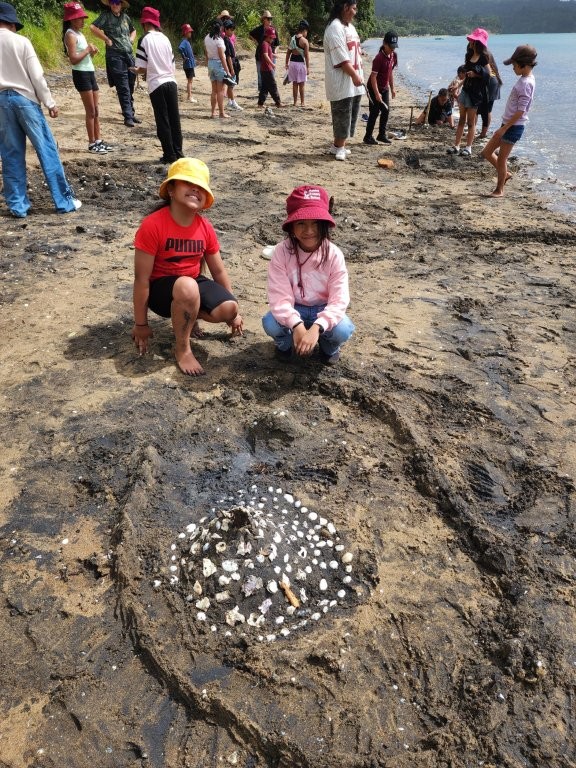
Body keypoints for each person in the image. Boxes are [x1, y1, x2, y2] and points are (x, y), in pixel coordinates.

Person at [132, 157, 243, 376]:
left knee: (229, 307)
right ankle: (182, 349)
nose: (195, 189)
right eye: (187, 183)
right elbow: (141, 279)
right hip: (160, 292)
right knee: (187, 286)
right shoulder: (153, 225)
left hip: (190, 284)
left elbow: (218, 271)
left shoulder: (205, 227)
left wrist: (234, 316)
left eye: (200, 187)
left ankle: (188, 317)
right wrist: (141, 324)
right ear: (171, 190)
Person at [0, 1, 81, 217]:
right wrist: (50, 102)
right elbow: (36, 76)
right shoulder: (21, 41)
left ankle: (18, 207)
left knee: (10, 154)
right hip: (25, 99)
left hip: (1, 102)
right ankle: (64, 202)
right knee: (46, 149)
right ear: (12, 23)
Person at [262, 185, 355, 365]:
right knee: (270, 322)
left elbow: (339, 300)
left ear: (324, 224)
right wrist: (296, 325)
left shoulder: (334, 254)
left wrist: (318, 327)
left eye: (315, 223)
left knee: (343, 329)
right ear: (291, 226)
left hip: (323, 308)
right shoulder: (281, 252)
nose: (309, 231)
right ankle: (285, 344)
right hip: (294, 307)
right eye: (301, 223)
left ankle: (328, 346)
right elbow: (279, 298)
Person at [481, 45, 537, 198]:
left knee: (502, 159)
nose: (513, 68)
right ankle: (505, 174)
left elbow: (521, 111)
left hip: (513, 127)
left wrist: (504, 128)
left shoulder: (526, 83)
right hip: (507, 125)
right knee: (486, 152)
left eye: (514, 65)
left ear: (524, 64)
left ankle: (499, 190)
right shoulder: (525, 79)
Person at [133, 7, 183, 165]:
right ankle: (178, 152)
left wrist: (136, 71)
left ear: (144, 23)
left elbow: (142, 67)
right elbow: (172, 65)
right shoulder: (165, 38)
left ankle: (169, 154)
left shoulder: (144, 39)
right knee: (174, 119)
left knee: (163, 120)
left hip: (156, 84)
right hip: (171, 81)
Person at [62, 2, 112, 155]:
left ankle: (98, 140)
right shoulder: (70, 34)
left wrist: (91, 53)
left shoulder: (79, 34)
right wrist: (87, 49)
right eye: (79, 18)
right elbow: (73, 59)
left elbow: (83, 57)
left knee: (96, 110)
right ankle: (91, 143)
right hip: (81, 74)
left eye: (83, 18)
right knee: (90, 111)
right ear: (71, 19)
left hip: (89, 72)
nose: (83, 20)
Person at [323, 0, 364, 161]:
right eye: (354, 8)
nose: (355, 12)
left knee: (351, 114)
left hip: (354, 80)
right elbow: (341, 57)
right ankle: (340, 147)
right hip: (342, 81)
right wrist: (353, 75)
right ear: (345, 7)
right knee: (342, 113)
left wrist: (357, 74)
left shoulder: (350, 27)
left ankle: (338, 145)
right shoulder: (334, 28)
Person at [90, 0, 140, 128]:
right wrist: (106, 39)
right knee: (123, 86)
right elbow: (92, 27)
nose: (115, 5)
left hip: (129, 55)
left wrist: (131, 40)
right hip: (115, 56)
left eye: (117, 2)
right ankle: (128, 116)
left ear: (121, 5)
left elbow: (133, 30)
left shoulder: (125, 17)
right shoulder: (106, 16)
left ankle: (130, 112)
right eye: (112, 2)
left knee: (130, 84)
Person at [447, 28, 490, 157]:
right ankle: (456, 145)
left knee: (471, 122)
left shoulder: (483, 58)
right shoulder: (469, 55)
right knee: (461, 120)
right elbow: (466, 76)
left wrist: (476, 75)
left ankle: (468, 147)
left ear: (477, 43)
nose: (470, 42)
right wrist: (458, 86)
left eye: (472, 40)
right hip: (465, 91)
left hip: (475, 94)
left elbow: (488, 74)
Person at [363, 30, 397, 145]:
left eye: (394, 47)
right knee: (374, 112)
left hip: (385, 88)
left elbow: (390, 73)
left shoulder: (393, 56)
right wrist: (377, 93)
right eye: (391, 47)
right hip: (373, 88)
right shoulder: (378, 58)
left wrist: (392, 88)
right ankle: (367, 137)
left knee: (386, 111)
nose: (393, 49)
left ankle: (381, 135)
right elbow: (373, 77)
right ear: (384, 44)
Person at [204, 20, 236, 119]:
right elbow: (222, 57)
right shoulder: (219, 40)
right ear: (221, 28)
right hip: (218, 64)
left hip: (210, 64)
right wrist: (227, 71)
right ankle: (221, 113)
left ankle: (213, 112)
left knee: (214, 90)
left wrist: (208, 66)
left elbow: (206, 53)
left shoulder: (207, 38)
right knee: (221, 90)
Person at [249, 10, 278, 91]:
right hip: (260, 55)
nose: (270, 20)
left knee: (271, 73)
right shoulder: (259, 29)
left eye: (271, 19)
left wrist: (275, 51)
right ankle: (261, 90)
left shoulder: (273, 29)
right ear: (264, 19)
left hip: (271, 55)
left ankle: (270, 90)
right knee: (260, 74)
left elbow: (277, 43)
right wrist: (257, 42)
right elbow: (250, 34)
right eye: (268, 19)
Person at [257, 26, 284, 109]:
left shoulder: (267, 44)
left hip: (264, 69)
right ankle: (278, 102)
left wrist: (274, 55)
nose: (272, 40)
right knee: (273, 86)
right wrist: (272, 64)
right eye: (271, 38)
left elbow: (269, 54)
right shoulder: (265, 44)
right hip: (266, 69)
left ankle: (260, 103)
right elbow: (265, 55)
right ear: (267, 37)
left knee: (265, 87)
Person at [285, 20, 310, 107]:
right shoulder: (305, 41)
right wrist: (308, 67)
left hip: (292, 63)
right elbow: (306, 56)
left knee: (295, 84)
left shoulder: (292, 39)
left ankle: (295, 102)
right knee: (301, 84)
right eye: (306, 31)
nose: (306, 33)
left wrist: (286, 63)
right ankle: (302, 102)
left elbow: (288, 52)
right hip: (300, 64)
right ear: (304, 30)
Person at [478, 51, 502, 139]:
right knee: (486, 109)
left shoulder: (482, 55)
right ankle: (483, 132)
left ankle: (483, 133)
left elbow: (484, 73)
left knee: (486, 110)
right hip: (493, 82)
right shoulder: (487, 54)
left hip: (490, 83)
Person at [223, 20, 243, 111]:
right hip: (231, 65)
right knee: (231, 84)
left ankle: (230, 102)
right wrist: (231, 69)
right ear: (226, 29)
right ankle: (233, 102)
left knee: (231, 85)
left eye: (233, 30)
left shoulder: (227, 39)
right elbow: (228, 56)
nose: (232, 32)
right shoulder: (226, 40)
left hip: (233, 63)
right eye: (231, 30)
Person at [178, 23, 196, 103]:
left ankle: (190, 96)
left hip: (189, 64)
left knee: (190, 81)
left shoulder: (186, 41)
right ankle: (189, 96)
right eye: (189, 32)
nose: (190, 33)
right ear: (185, 33)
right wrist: (184, 57)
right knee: (190, 81)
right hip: (188, 64)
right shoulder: (184, 41)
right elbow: (180, 48)